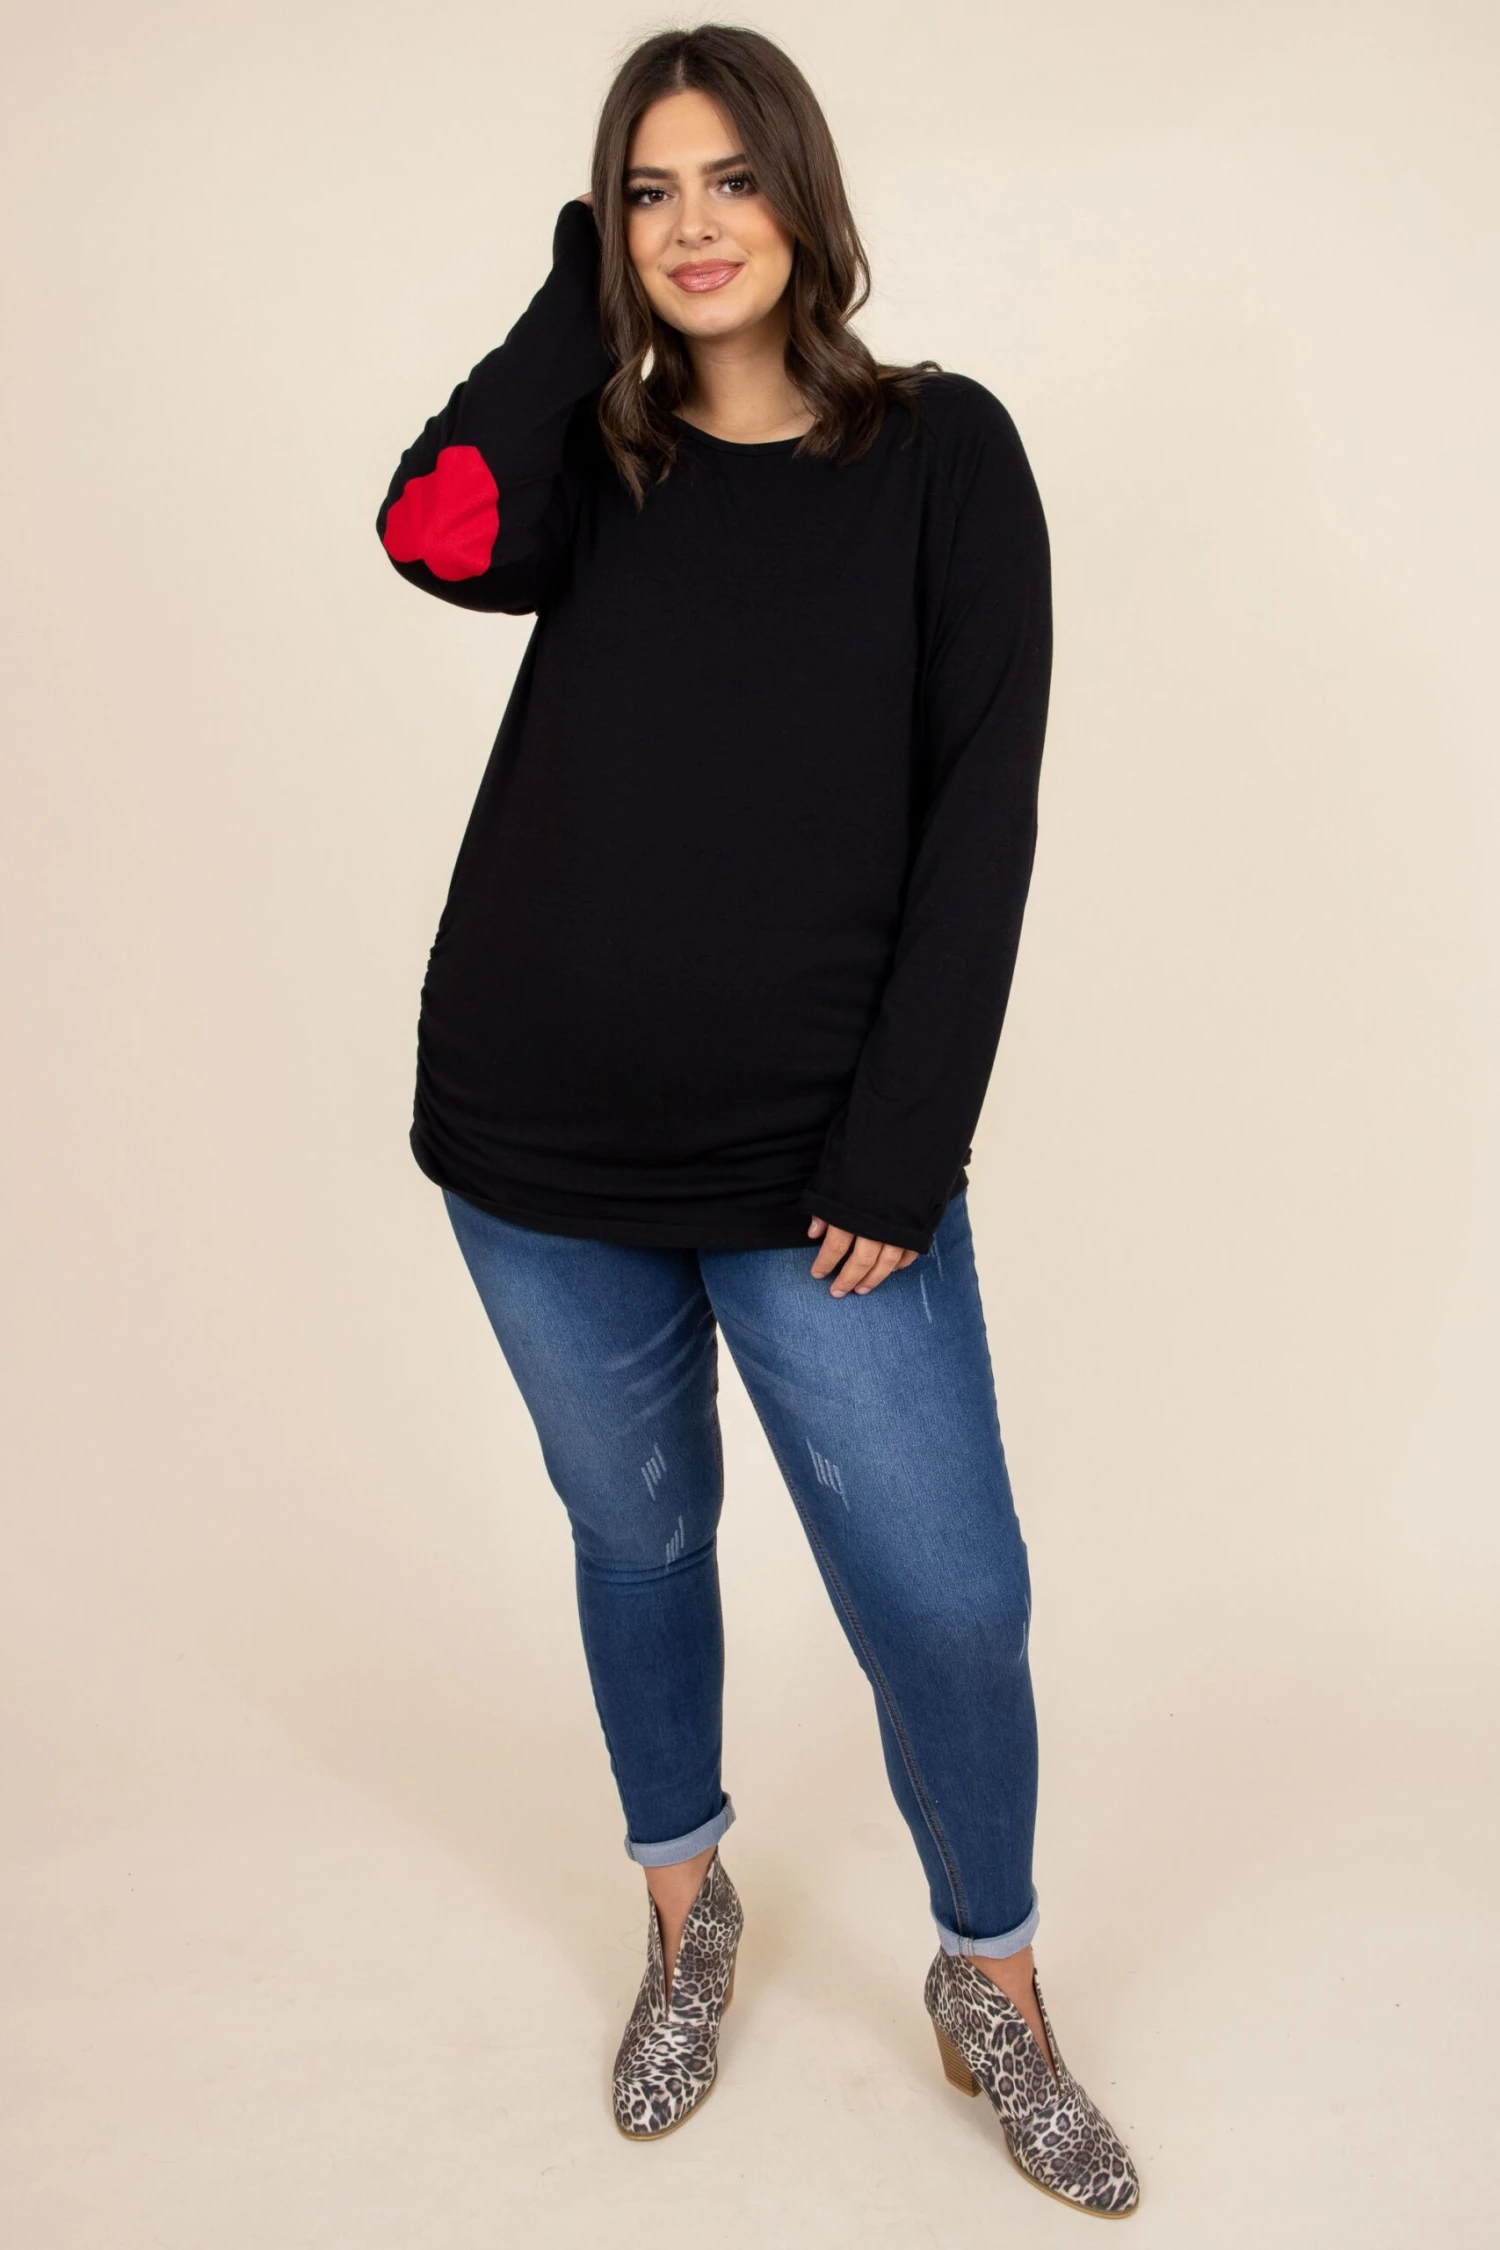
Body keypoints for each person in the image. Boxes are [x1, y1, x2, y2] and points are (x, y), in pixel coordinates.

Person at [375, 21, 1139, 2218]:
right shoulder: (594, 463)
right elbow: (430, 532)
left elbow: (982, 816)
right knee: (638, 1541)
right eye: (648, 190)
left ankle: (990, 1979)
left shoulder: (945, 454)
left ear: (805, 194)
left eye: (729, 179)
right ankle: (683, 1908)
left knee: (952, 1598)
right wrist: (570, 299)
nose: (694, 225)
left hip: (822, 1174)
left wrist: (900, 1148)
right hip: (537, 1143)